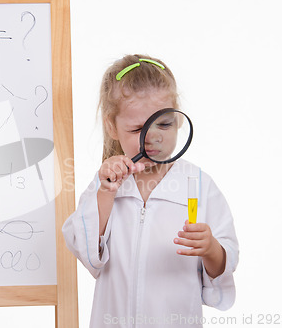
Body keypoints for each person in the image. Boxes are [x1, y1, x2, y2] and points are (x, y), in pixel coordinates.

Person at [62, 54, 239, 327]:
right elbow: (84, 249)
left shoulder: (198, 185)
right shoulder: (107, 185)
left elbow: (224, 263)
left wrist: (211, 249)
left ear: (178, 120)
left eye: (164, 124)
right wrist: (105, 193)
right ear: (112, 127)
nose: (152, 137)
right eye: (136, 129)